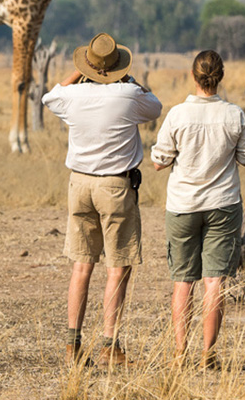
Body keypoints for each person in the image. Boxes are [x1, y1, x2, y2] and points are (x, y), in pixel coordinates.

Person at [42, 32, 162, 367]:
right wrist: (131, 80)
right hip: (115, 186)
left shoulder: (73, 96)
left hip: (78, 185)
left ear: (88, 67)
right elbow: (155, 105)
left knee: (82, 267)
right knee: (117, 267)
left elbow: (50, 97)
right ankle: (110, 345)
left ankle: (72, 345)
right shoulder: (128, 94)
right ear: (118, 68)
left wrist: (76, 75)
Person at [151, 50, 245, 369]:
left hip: (183, 205)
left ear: (193, 76)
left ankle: (179, 354)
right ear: (220, 76)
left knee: (183, 281)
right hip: (223, 204)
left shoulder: (177, 114)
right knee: (215, 281)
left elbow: (159, 161)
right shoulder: (234, 114)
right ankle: (208, 355)